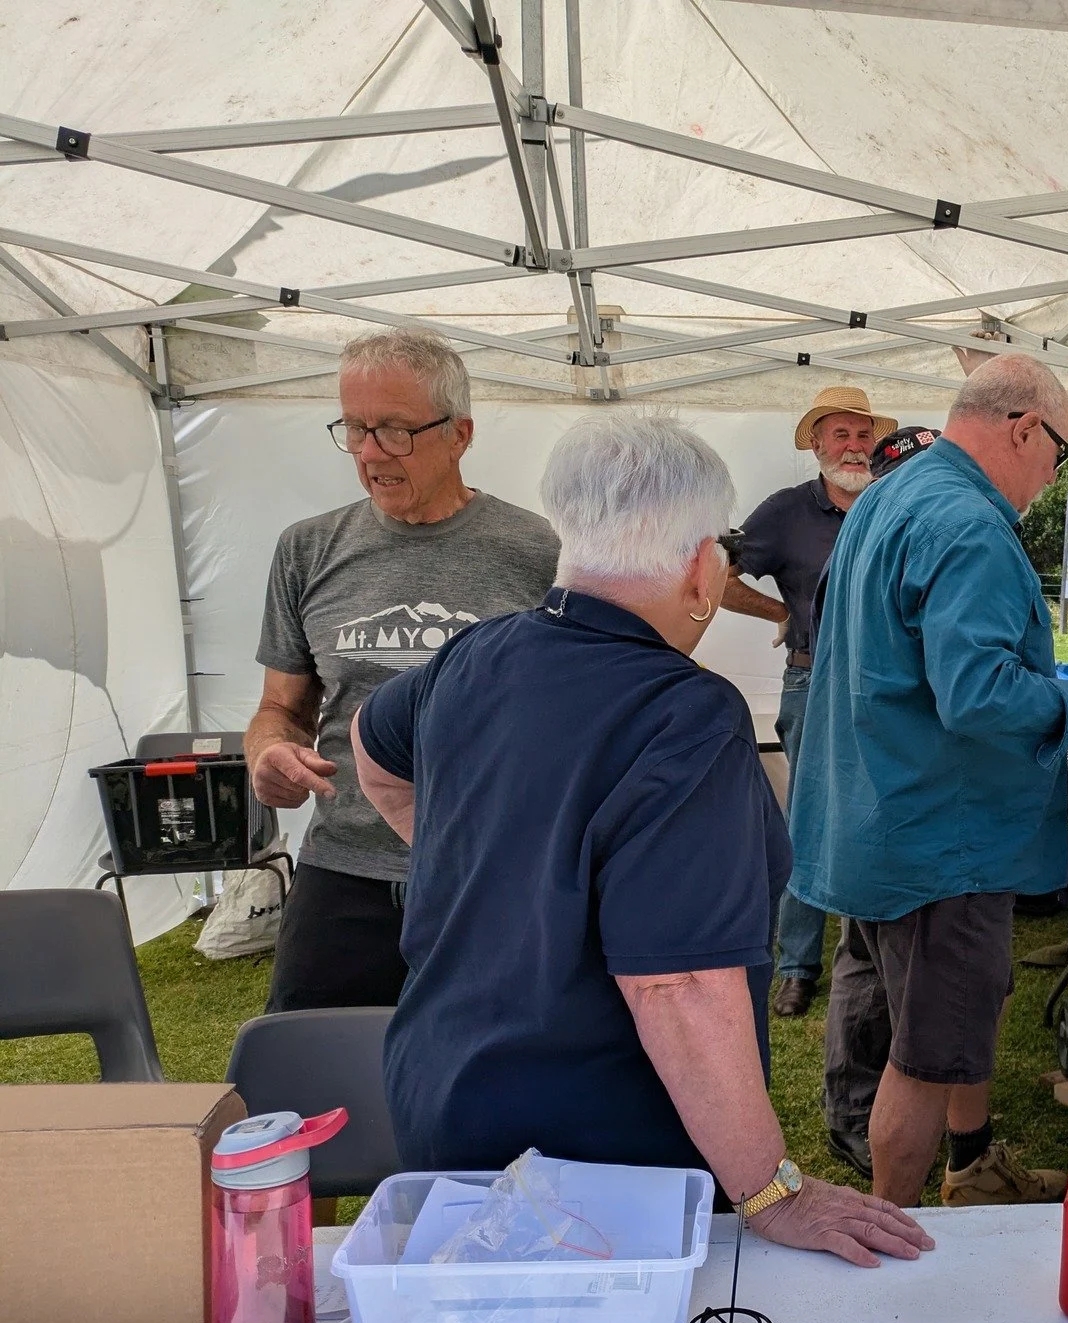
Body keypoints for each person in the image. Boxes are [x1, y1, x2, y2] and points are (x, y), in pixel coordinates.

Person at [349, 412, 930, 1267]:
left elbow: (372, 751)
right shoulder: (686, 716)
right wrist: (772, 1191)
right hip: (594, 1156)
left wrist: (482, 870)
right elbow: (681, 985)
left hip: (443, 1099)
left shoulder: (472, 657)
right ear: (703, 568)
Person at [790, 356, 1068, 1208]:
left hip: (882, 811)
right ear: (1026, 428)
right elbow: (979, 693)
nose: (1049, 478)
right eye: (1056, 455)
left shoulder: (892, 493)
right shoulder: (969, 523)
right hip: (941, 838)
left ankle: (973, 1166)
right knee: (922, 1059)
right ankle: (894, 1229)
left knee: (945, 1027)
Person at [248, 329, 558, 1013]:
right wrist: (269, 751)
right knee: (308, 1077)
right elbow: (282, 707)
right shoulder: (307, 549)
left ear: (460, 434)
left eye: (393, 431)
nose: (367, 454)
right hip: (343, 870)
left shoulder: (539, 551)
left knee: (487, 1081)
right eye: (354, 429)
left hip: (488, 871)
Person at [722, 387, 899, 1021]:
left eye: (862, 434)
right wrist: (781, 612)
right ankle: (796, 966)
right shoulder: (785, 513)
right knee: (808, 820)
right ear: (816, 444)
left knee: (880, 814)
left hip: (889, 690)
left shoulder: (894, 502)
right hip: (813, 683)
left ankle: (874, 952)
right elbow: (715, 572)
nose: (853, 446)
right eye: (840, 434)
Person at [810, 423, 942, 1180]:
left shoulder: (861, 531)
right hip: (888, 784)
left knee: (863, 950)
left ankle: (851, 1109)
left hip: (857, 777)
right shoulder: (899, 536)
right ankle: (871, 1120)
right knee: (892, 968)